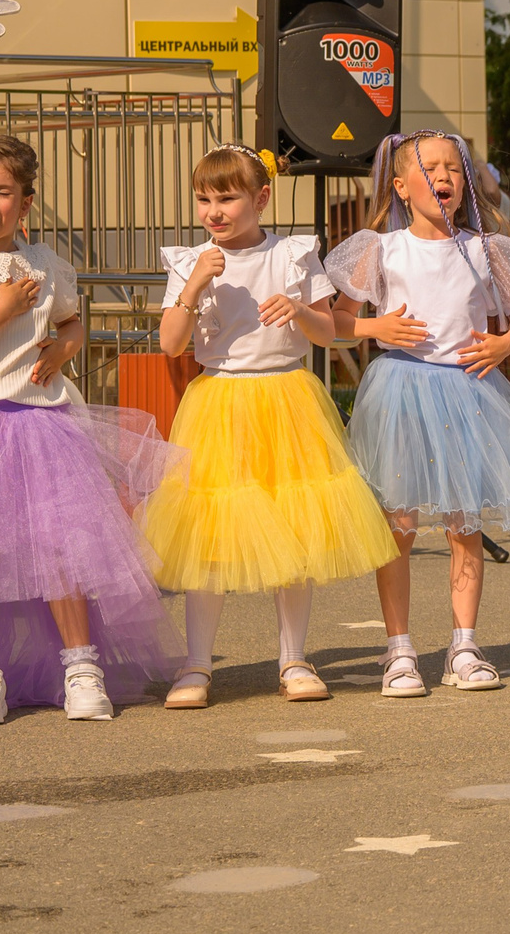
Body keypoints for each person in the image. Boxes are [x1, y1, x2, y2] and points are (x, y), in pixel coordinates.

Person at [141, 143, 394, 709]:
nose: (214, 211)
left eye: (227, 198)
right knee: (208, 537)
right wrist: (192, 286)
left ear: (261, 197)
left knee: (294, 531)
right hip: (218, 403)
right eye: (204, 199)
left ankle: (294, 659)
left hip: (287, 399)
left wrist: (299, 311)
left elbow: (330, 333)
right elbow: (171, 343)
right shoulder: (191, 261)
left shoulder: (294, 254)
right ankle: (197, 663)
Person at [0, 134, 180, 725]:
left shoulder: (48, 265)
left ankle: (81, 666)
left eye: (3, 192)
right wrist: (0, 311)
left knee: (63, 549)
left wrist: (62, 352)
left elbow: (71, 325)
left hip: (44, 426)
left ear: (25, 203)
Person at [327, 131, 510, 697]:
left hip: (468, 393)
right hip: (400, 391)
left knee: (465, 524)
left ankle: (464, 644)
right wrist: (374, 328)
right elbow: (335, 322)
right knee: (398, 527)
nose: (444, 177)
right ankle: (399, 649)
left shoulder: (485, 249)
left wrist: (505, 346)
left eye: (453, 168)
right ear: (401, 186)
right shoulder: (382, 249)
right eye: (429, 168)